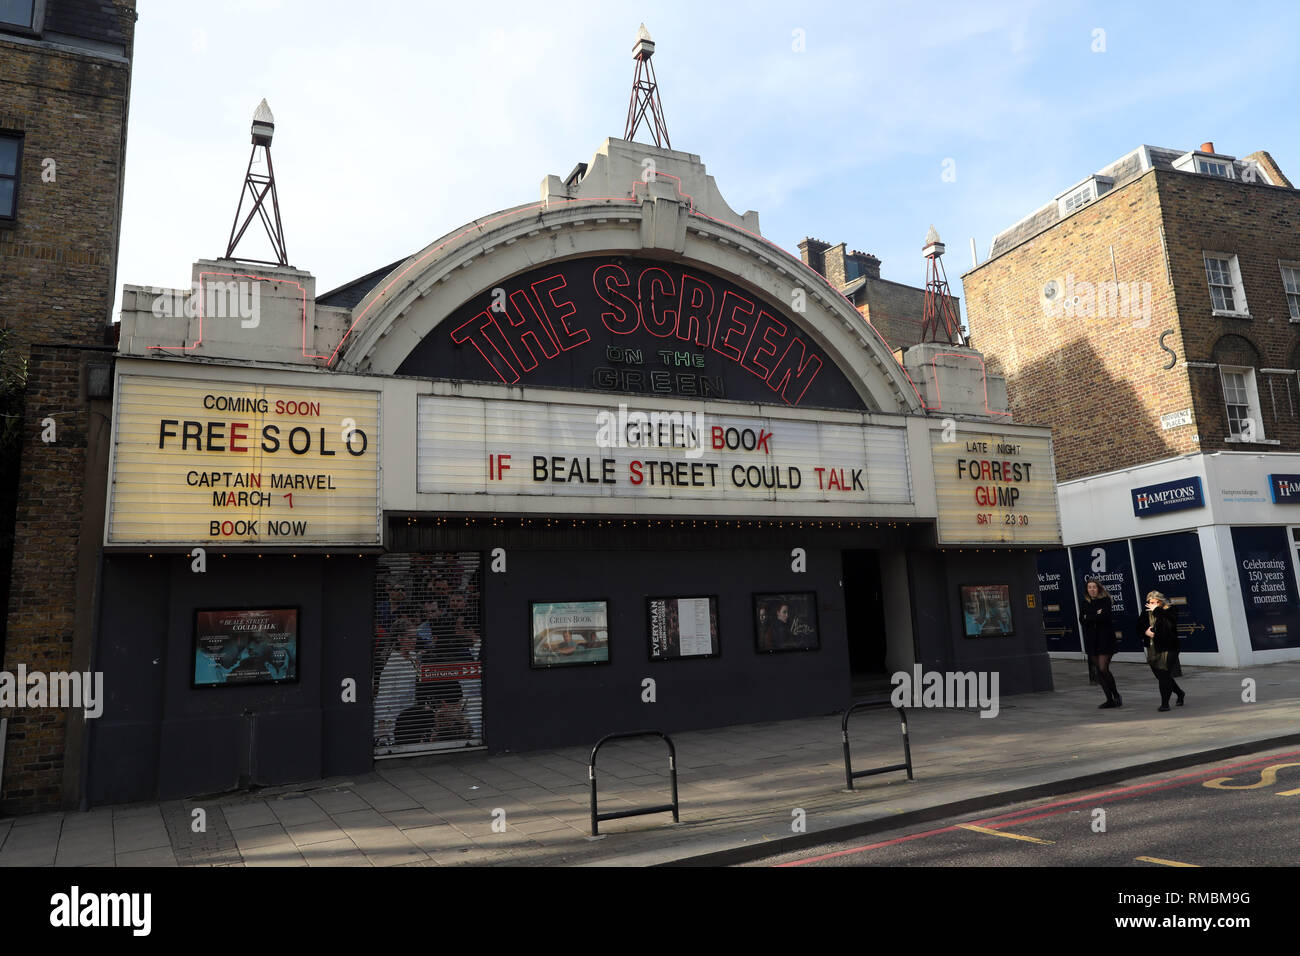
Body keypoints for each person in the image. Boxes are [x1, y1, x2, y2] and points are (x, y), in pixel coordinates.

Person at [1139, 590, 1185, 712]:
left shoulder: (1170, 610)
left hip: (1169, 647)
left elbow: (1170, 624)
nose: (1151, 604)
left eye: (1154, 602)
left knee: (1164, 674)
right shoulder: (1146, 611)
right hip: (1153, 648)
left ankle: (1165, 704)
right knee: (1161, 676)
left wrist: (1157, 610)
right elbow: (1139, 625)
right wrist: (1145, 631)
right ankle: (1180, 693)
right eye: (1149, 602)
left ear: (1161, 601)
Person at [1079, 579, 1120, 708]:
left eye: (1094, 587)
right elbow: (1082, 619)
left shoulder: (1106, 600)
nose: (1092, 589)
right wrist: (1093, 615)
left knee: (1103, 668)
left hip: (1105, 639)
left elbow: (1103, 617)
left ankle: (1116, 695)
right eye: (1089, 587)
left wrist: (1089, 616)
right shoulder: (1085, 603)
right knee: (1099, 671)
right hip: (1092, 640)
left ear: (1099, 589)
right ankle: (1109, 699)